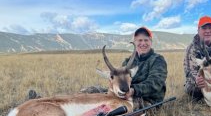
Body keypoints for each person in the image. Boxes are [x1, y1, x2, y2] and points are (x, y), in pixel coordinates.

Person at [29, 27, 168, 107]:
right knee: (90, 90)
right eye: (140, 40)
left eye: (146, 40)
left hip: (147, 101)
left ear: (151, 42)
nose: (143, 43)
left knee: (107, 106)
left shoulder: (157, 60)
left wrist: (133, 90)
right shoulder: (127, 62)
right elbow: (117, 80)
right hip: (124, 93)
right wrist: (113, 86)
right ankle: (46, 101)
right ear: (135, 42)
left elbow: (156, 83)